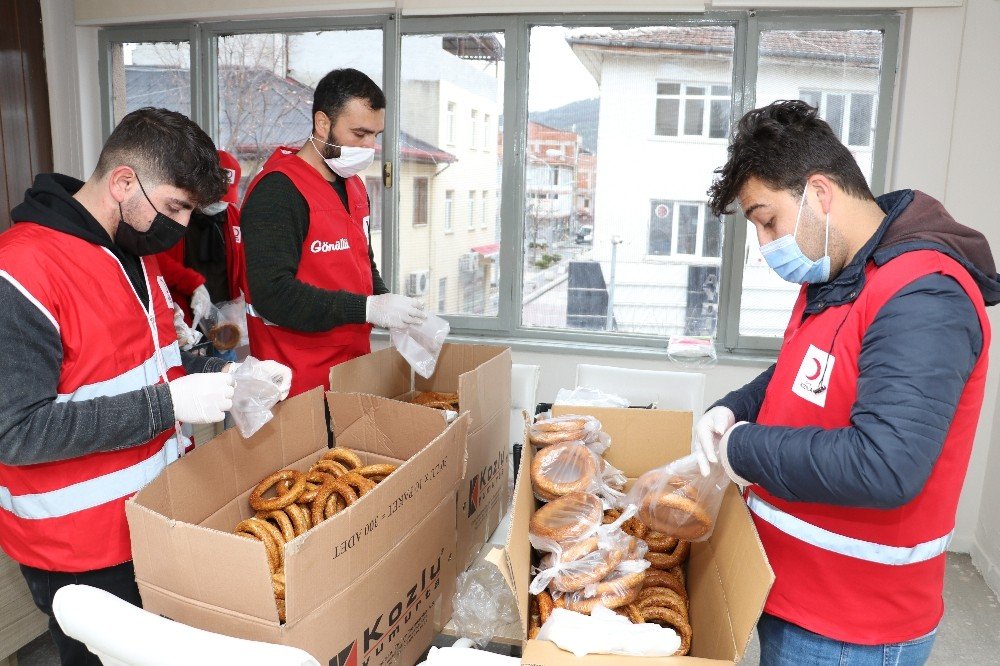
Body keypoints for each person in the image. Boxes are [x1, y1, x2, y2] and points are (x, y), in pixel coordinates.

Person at [692, 100, 1000, 665]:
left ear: (820, 194)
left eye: (767, 220)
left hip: (850, 628)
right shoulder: (839, 275)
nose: (765, 246)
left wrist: (742, 449)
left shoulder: (923, 295)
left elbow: (885, 464)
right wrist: (734, 408)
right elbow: (800, 371)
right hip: (791, 590)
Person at [0, 107, 292, 666]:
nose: (180, 227)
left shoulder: (132, 252)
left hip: (153, 521)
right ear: (124, 182)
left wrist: (228, 379)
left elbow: (149, 364)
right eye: (176, 206)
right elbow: (16, 431)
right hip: (79, 550)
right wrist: (169, 404)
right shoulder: (22, 270)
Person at [240, 68, 426, 398]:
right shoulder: (279, 191)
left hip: (349, 374)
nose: (370, 146)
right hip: (296, 383)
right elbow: (273, 295)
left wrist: (386, 304)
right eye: (360, 134)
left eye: (376, 135)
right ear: (323, 123)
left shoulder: (354, 186)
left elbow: (362, 264)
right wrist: (367, 308)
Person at [156, 149, 246, 359]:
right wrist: (191, 285)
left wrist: (241, 306)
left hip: (223, 322)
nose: (220, 203)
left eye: (225, 197)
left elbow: (243, 265)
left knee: (226, 379)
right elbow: (157, 263)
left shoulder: (234, 217)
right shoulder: (172, 216)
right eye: (214, 197)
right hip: (184, 322)